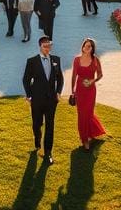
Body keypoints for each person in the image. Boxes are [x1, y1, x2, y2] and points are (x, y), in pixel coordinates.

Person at [21, 37, 64, 165]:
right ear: (40, 46)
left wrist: (58, 92)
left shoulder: (56, 60)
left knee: (50, 126)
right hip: (37, 99)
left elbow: (60, 78)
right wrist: (29, 96)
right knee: (37, 124)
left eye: (49, 45)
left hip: (51, 100)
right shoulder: (32, 61)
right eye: (45, 45)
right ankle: (37, 139)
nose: (48, 47)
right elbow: (26, 79)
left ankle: (48, 152)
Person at [72, 38, 106, 150]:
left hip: (91, 90)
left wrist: (92, 81)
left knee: (89, 113)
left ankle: (90, 133)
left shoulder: (96, 60)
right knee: (82, 114)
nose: (87, 48)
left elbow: (100, 75)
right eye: (86, 46)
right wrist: (73, 91)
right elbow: (73, 76)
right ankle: (84, 139)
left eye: (90, 46)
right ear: (82, 47)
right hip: (80, 91)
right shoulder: (77, 60)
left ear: (92, 49)